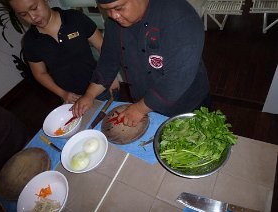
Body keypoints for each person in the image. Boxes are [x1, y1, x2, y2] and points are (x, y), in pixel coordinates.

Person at [72, 0, 210, 126]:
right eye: (107, 10)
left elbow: (177, 79)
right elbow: (108, 61)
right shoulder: (114, 23)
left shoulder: (179, 17)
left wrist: (139, 109)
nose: (114, 16)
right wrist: (89, 95)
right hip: (145, 103)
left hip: (187, 103)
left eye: (119, 8)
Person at [7, 0, 119, 104]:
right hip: (73, 98)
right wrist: (63, 94)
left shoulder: (74, 18)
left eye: (34, 8)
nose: (32, 17)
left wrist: (111, 76)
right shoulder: (30, 41)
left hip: (99, 86)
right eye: (23, 14)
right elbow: (40, 73)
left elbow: (103, 47)